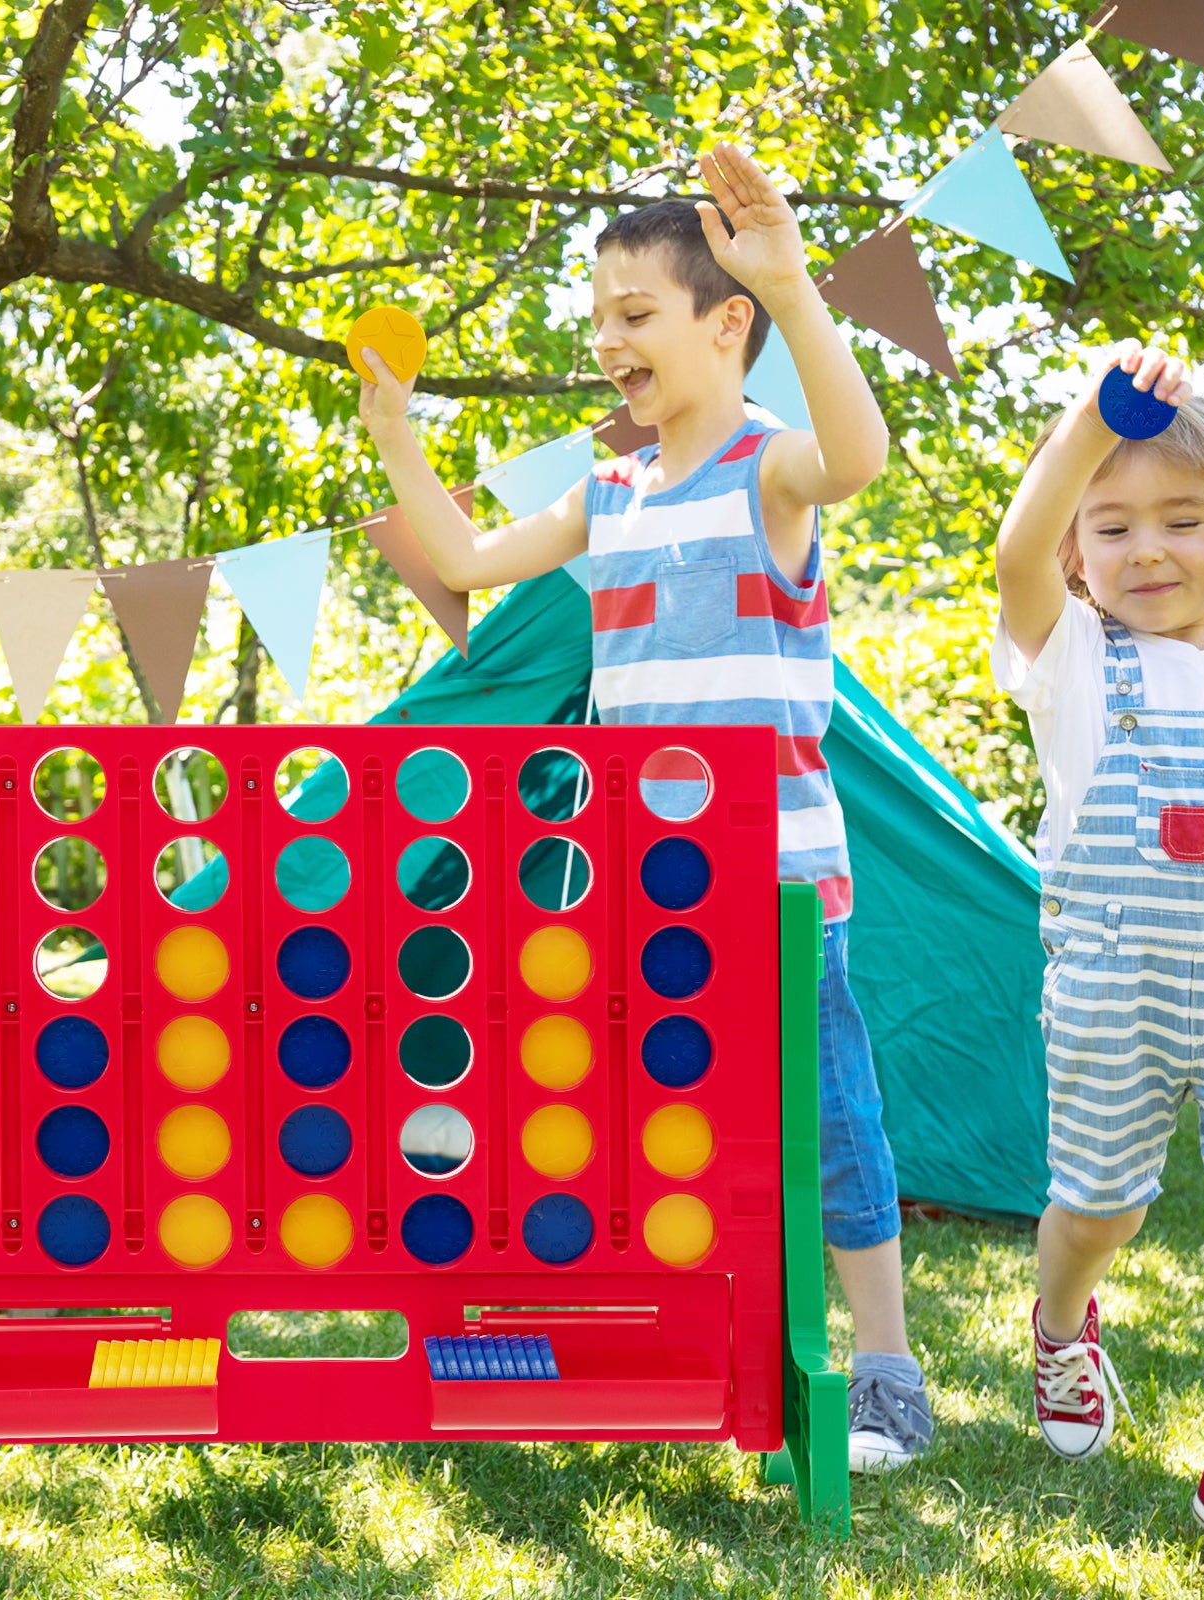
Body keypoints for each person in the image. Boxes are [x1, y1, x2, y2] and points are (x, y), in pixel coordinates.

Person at [358, 141, 933, 1472]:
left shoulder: (769, 470)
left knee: (833, 1120)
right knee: (650, 1109)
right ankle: (681, 1332)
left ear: (721, 323)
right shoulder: (606, 497)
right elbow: (462, 557)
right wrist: (396, 432)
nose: (610, 340)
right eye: (599, 317)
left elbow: (861, 455)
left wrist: (793, 286)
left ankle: (889, 1370)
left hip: (782, 887)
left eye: (637, 315)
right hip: (637, 879)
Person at [993, 340, 1204, 1582]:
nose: (1143, 550)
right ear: (1078, 550)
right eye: (1111, 524)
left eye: (1180, 521)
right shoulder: (1070, 663)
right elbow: (1017, 553)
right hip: (1113, 993)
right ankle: (1061, 1319)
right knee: (1101, 1210)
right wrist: (1089, 420)